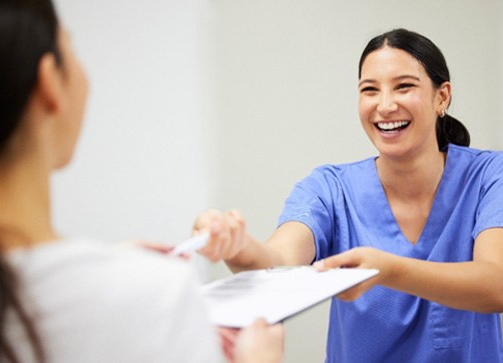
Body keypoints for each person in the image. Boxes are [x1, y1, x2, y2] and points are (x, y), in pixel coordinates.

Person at [0, 0, 284, 362]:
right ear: (50, 81)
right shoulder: (154, 297)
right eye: (71, 44)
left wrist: (108, 264)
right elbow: (290, 264)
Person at [193, 28, 503, 362]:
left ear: (441, 97)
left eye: (404, 86)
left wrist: (386, 270)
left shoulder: (489, 176)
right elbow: (278, 264)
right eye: (370, 90)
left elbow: (496, 284)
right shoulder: (329, 188)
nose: (385, 105)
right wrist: (237, 245)